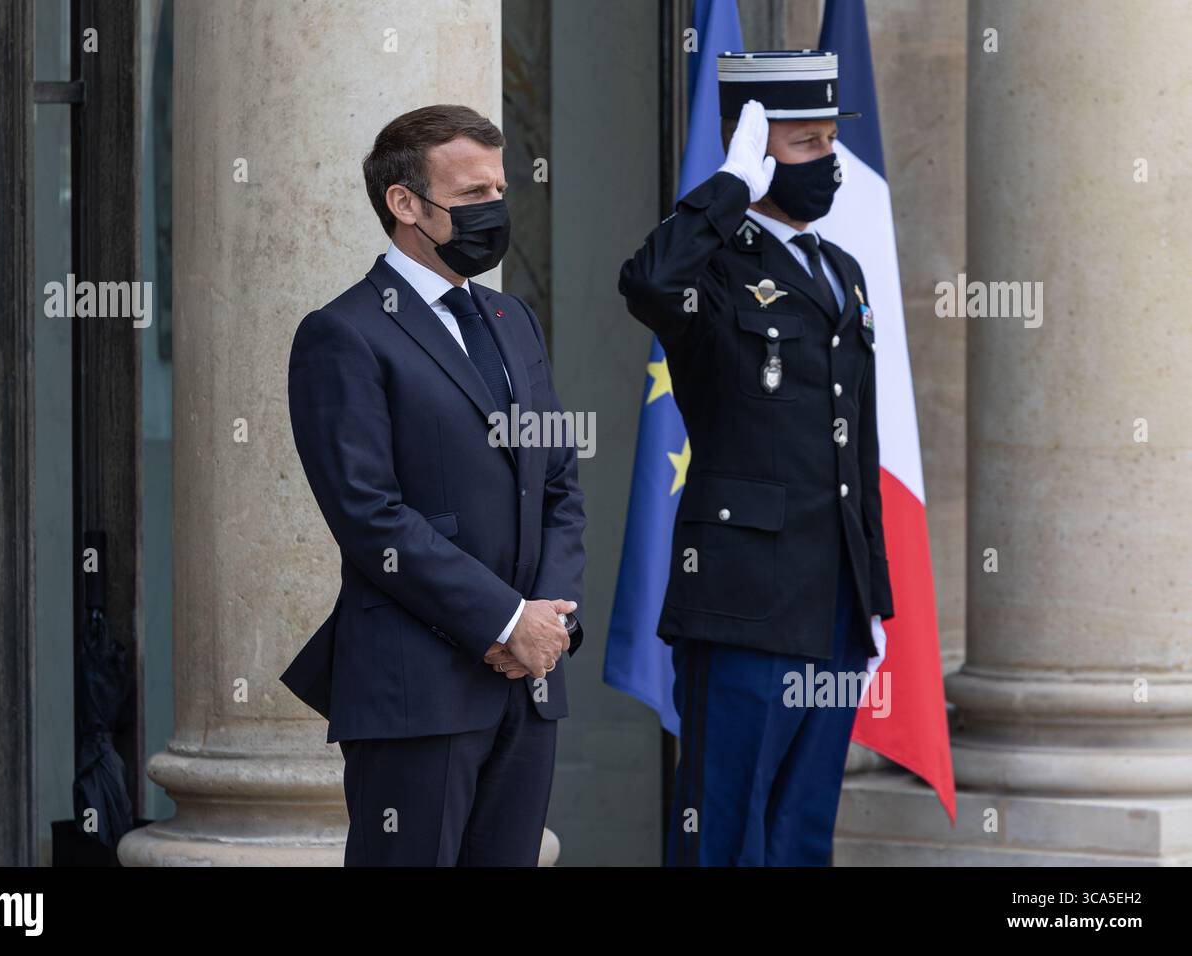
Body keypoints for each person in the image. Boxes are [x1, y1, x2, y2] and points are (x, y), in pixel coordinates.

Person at [281, 104, 586, 866]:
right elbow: (370, 516)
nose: (494, 211)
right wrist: (506, 620)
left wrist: (543, 628)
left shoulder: (514, 320)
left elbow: (558, 485)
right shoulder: (343, 333)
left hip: (527, 684)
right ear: (405, 203)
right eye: (472, 194)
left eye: (499, 191)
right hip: (418, 692)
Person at [618, 51, 893, 866]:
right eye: (805, 145)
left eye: (829, 141)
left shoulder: (839, 269)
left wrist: (871, 588)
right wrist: (729, 188)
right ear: (756, 149)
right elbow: (648, 282)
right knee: (724, 824)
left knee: (802, 829)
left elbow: (855, 441)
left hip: (836, 596)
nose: (829, 161)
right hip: (747, 594)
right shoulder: (714, 263)